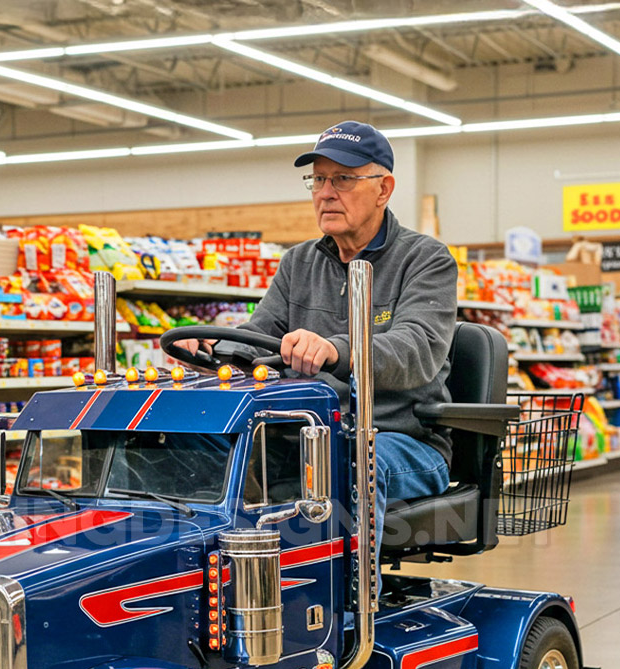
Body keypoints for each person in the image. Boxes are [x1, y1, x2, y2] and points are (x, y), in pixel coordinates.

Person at [177, 120, 457, 593]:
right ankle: (205, 587)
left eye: (344, 179)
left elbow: (419, 350)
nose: (327, 193)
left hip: (399, 439)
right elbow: (257, 337)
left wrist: (336, 349)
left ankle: (337, 605)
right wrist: (213, 351)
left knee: (345, 461)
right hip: (307, 429)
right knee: (189, 446)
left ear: (383, 188)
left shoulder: (426, 260)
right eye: (319, 180)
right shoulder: (298, 262)